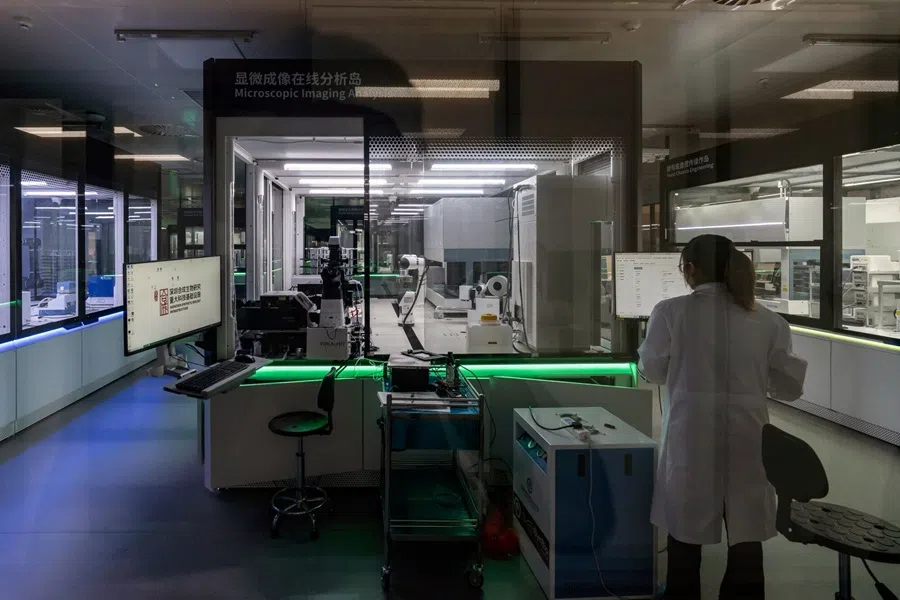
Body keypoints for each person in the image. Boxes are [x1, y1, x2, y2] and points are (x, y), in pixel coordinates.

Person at [638, 234, 807, 600]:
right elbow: (789, 387)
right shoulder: (767, 321)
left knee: (684, 541)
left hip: (691, 437)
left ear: (691, 270)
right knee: (746, 542)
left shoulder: (670, 312)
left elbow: (651, 370)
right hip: (749, 438)